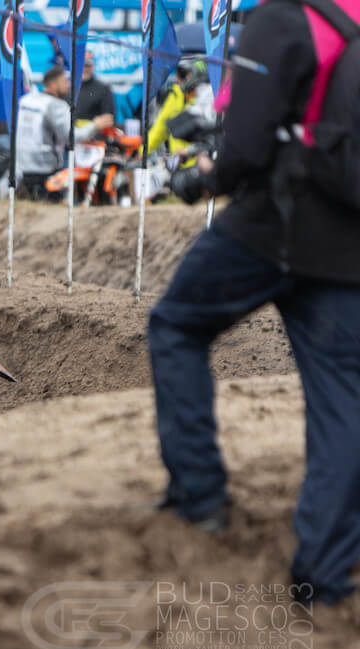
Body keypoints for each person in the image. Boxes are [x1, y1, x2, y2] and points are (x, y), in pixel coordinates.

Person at [152, 0, 360, 605]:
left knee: (175, 327)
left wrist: (202, 177)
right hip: (349, 236)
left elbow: (245, 146)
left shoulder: (280, 18)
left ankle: (200, 498)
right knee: (343, 402)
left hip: (277, 224)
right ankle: (321, 577)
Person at [15, 64, 113, 198]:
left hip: (22, 166)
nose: (68, 85)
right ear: (53, 85)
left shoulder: (26, 100)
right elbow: (70, 137)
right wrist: (95, 125)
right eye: (64, 81)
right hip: (46, 168)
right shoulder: (56, 105)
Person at [144, 58, 213, 159]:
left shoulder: (207, 96)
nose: (179, 81)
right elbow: (160, 127)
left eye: (185, 75)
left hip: (201, 161)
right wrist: (142, 152)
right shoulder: (176, 95)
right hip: (179, 161)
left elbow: (211, 135)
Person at [74, 50, 115, 121]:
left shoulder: (103, 89)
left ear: (93, 66)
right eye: (81, 64)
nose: (84, 68)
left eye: (87, 65)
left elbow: (108, 117)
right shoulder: (67, 86)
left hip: (95, 130)